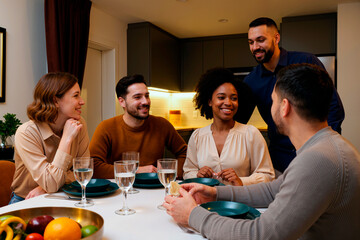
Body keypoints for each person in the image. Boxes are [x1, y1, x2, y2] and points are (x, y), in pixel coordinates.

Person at [164, 63, 360, 239]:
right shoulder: (328, 147)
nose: (270, 106)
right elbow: (271, 190)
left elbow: (262, 235)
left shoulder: (317, 160)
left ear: (284, 107)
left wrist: (193, 215)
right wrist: (214, 193)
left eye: (272, 100)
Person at [237, 17, 345, 173]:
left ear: (276, 38)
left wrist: (326, 146)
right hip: (279, 160)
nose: (255, 47)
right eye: (250, 42)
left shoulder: (306, 61)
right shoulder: (251, 81)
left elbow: (334, 107)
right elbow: (238, 121)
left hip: (316, 152)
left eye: (260, 40)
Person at [183, 68, 275, 186]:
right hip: (206, 202)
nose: (228, 103)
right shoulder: (197, 136)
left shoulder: (251, 134)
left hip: (239, 202)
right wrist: (198, 174)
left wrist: (241, 180)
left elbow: (267, 175)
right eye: (221, 97)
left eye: (234, 98)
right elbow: (187, 172)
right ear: (210, 101)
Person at [10, 72, 90, 204]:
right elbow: (53, 183)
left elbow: (84, 170)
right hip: (26, 201)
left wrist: (45, 187)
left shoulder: (79, 123)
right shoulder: (26, 133)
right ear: (55, 101)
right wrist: (66, 139)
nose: (82, 101)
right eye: (76, 96)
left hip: (65, 194)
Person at [90, 74, 187, 179]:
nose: (145, 101)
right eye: (137, 97)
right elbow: (94, 167)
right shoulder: (106, 127)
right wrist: (136, 170)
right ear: (122, 101)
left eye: (147, 96)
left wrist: (172, 173)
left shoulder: (162, 124)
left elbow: (185, 153)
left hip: (154, 189)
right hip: (122, 190)